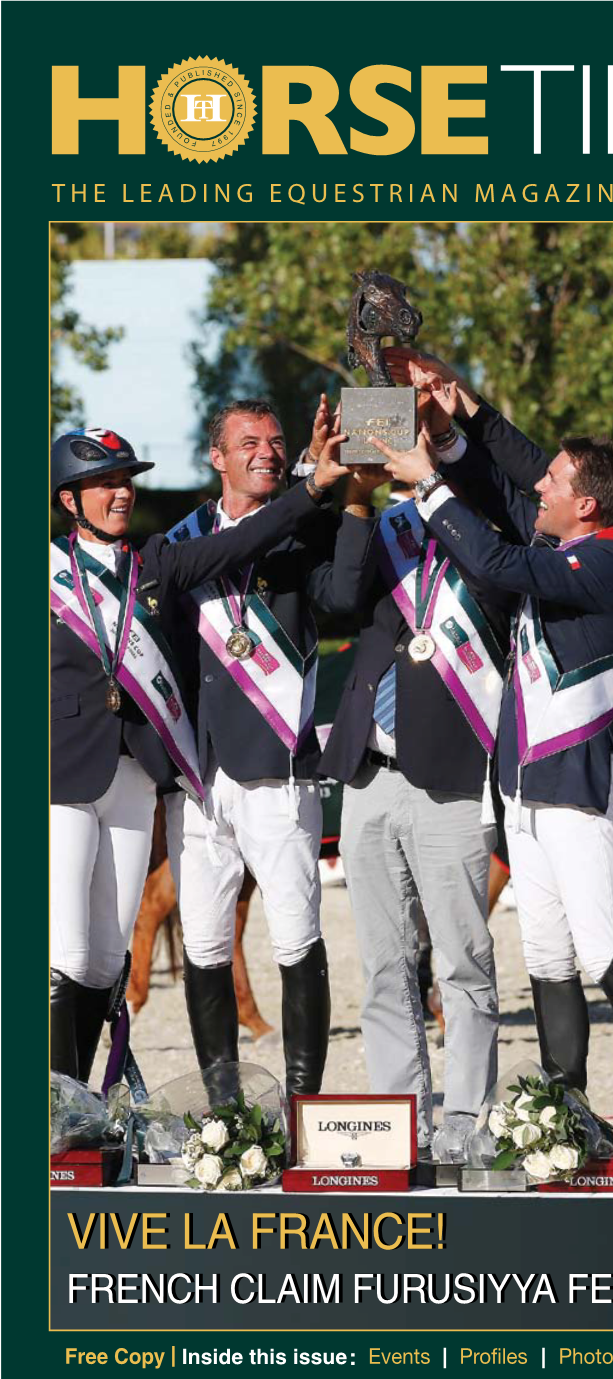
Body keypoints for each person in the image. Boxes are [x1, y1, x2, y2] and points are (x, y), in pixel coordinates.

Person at [372, 403, 613, 1176]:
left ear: (586, 503)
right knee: (548, 956)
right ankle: (567, 1107)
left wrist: (430, 488)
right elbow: (508, 508)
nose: (539, 490)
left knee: (601, 950)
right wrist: (451, 436)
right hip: (525, 786)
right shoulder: (576, 539)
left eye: (554, 481)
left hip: (577, 784)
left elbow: (499, 563)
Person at [50, 425, 340, 1088]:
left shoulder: (157, 560)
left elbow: (241, 541)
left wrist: (312, 489)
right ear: (70, 500)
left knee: (103, 957)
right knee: (65, 952)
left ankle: (77, 1107)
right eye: (103, 484)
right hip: (60, 775)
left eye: (126, 481)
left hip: (135, 778)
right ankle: (53, 1115)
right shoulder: (41, 572)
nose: (121, 494)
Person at [314, 396, 515, 1161]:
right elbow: (339, 598)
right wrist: (359, 499)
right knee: (383, 961)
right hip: (371, 771)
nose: (408, 449)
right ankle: (402, 1114)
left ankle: (464, 1118)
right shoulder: (381, 527)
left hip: (453, 775)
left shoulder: (492, 538)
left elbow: (495, 587)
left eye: (427, 442)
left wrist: (437, 482)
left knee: (463, 958)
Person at [161, 399, 343, 1101]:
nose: (265, 452)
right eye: (248, 443)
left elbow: (350, 591)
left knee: (296, 939)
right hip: (199, 776)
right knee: (205, 946)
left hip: (277, 768)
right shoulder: (177, 540)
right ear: (217, 457)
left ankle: (302, 1108)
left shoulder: (304, 533)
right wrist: (312, 488)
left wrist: (346, 498)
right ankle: (224, 1114)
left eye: (276, 442)